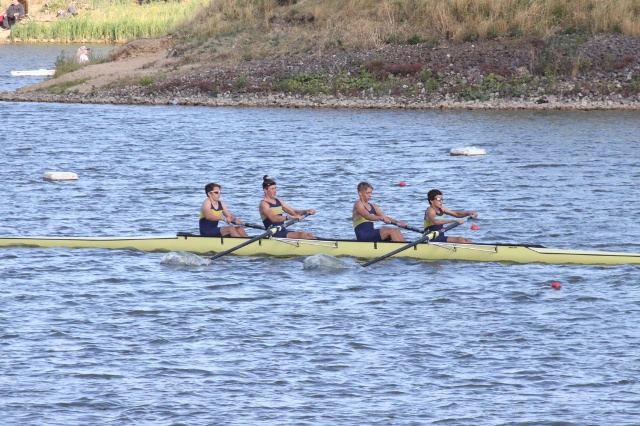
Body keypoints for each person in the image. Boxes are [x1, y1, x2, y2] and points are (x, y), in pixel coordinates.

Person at [260, 175, 316, 239]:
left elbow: (294, 212)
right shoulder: (264, 204)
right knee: (302, 235)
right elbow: (273, 218)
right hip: (273, 234)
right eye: (272, 189)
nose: (275, 191)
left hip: (283, 231)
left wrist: (306, 211)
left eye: (275, 188)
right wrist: (289, 217)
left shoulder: (279, 201)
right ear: (265, 190)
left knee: (309, 235)